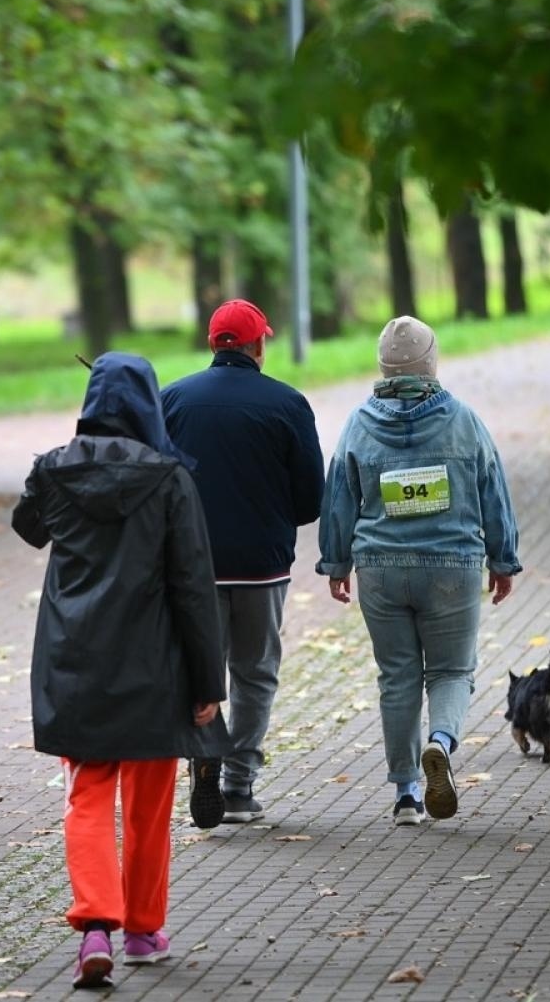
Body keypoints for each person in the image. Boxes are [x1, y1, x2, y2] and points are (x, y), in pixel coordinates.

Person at [13, 352, 229, 990]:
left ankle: (95, 929)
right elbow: (193, 586)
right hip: (154, 666)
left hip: (75, 662)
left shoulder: (52, 471)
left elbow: (28, 528)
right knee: (149, 804)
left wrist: (58, 470)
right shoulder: (168, 479)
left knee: (86, 794)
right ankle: (141, 930)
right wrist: (207, 683)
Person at [318, 317, 521, 825]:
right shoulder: (464, 421)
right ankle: (441, 742)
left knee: (398, 677)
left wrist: (336, 562)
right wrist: (503, 559)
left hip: (381, 570)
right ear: (431, 363)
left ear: (383, 366)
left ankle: (406, 793)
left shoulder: (359, 424)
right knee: (452, 671)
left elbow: (339, 497)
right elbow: (492, 489)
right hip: (452, 566)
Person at [161, 299, 324, 825]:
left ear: (213, 344)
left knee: (199, 670)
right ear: (259, 345)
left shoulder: (172, 400)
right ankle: (237, 785)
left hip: (193, 566)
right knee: (254, 673)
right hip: (261, 565)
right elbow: (311, 500)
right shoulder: (287, 403)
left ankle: (204, 752)